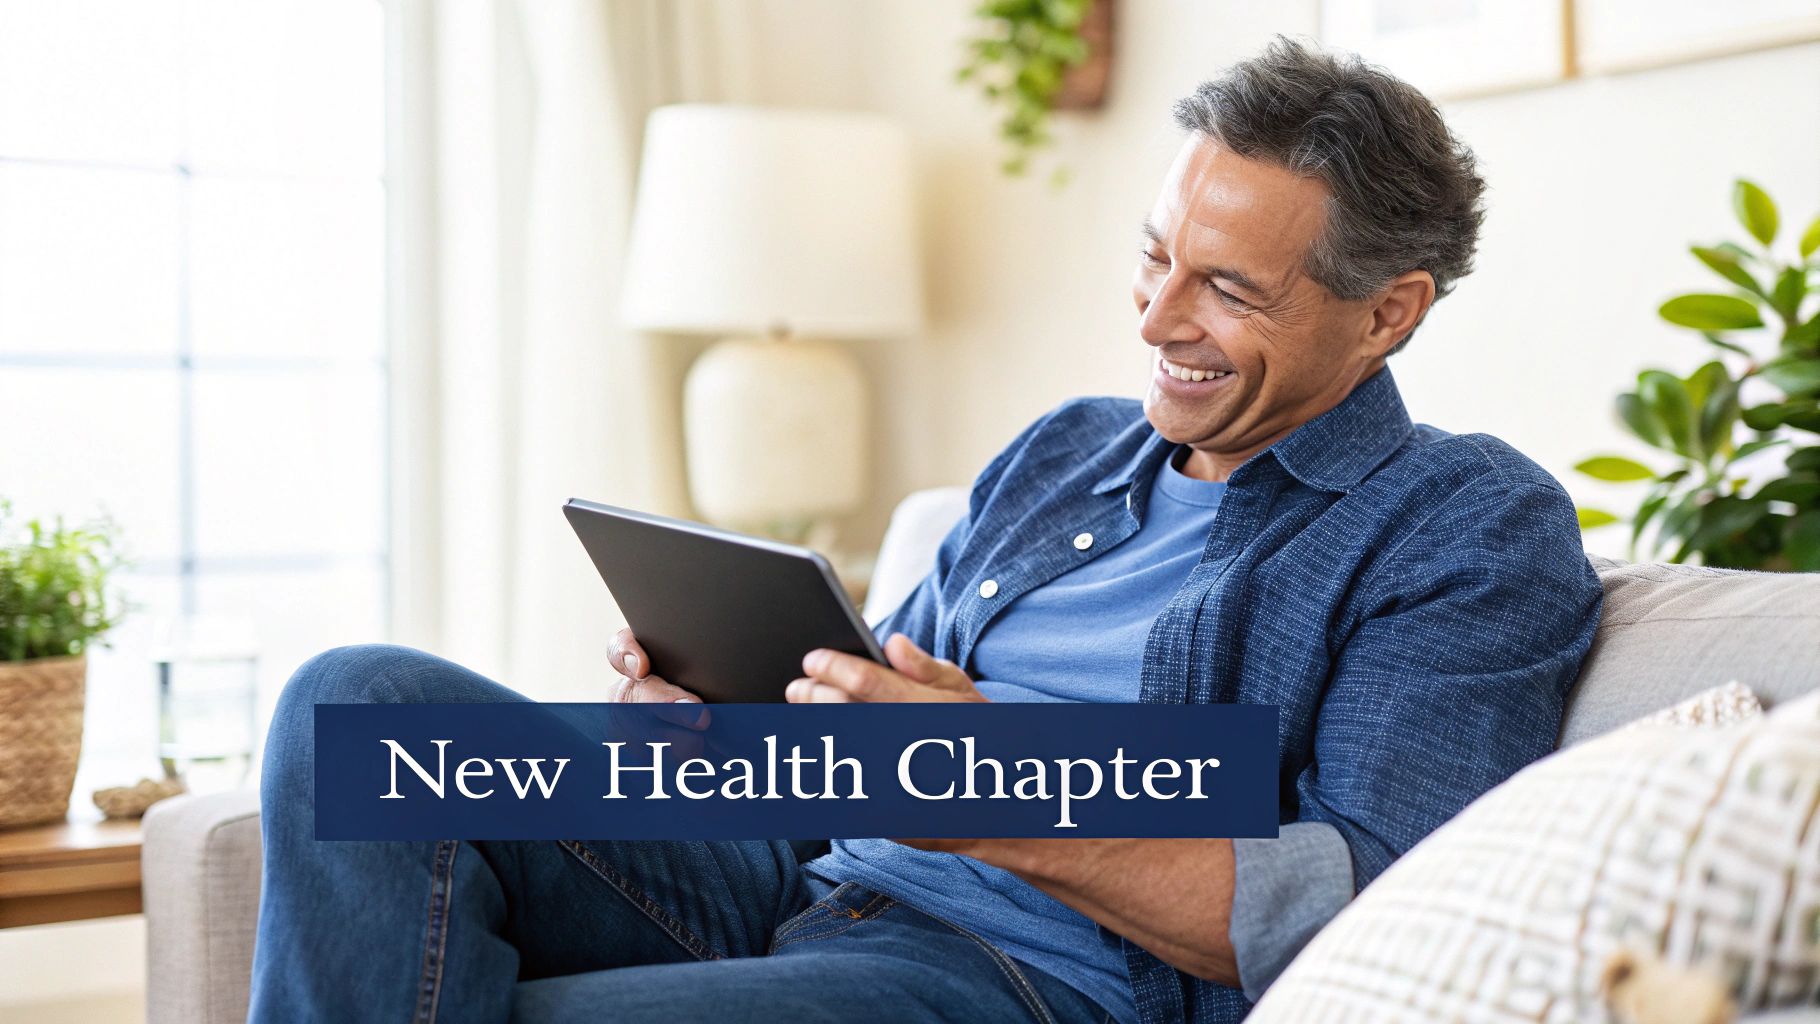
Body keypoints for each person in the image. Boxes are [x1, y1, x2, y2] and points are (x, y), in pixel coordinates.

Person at [250, 36, 1603, 1024]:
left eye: (1227, 290)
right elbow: (856, 741)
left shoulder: (1462, 527)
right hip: (791, 877)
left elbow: (1356, 895)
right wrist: (720, 732)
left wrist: (971, 780)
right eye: (1154, 257)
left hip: (1016, 975)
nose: (1154, 319)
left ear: (1388, 311)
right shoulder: (1068, 454)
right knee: (356, 708)